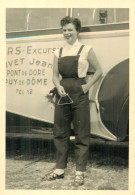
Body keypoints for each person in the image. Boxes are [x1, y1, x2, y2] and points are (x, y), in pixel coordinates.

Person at [46, 16, 102, 186]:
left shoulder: (86, 49)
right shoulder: (58, 52)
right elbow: (55, 76)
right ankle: (60, 169)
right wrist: (58, 86)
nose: (67, 33)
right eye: (64, 30)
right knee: (60, 132)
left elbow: (99, 71)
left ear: (78, 31)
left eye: (70, 30)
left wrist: (86, 87)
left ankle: (80, 171)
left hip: (80, 94)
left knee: (81, 133)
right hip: (62, 93)